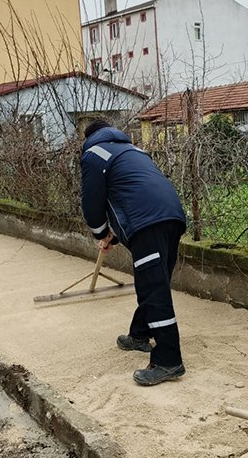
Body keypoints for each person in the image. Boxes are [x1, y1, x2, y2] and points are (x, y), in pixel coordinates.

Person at [80, 120, 187, 386]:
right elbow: (133, 195)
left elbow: (92, 202)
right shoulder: (132, 151)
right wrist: (112, 236)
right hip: (171, 216)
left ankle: (168, 361)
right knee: (155, 281)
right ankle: (139, 335)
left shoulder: (95, 154)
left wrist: (99, 232)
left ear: (89, 137)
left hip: (147, 222)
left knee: (153, 287)